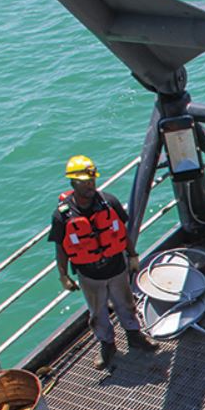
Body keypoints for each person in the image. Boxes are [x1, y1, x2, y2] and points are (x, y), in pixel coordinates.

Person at [49, 154, 156, 369]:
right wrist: (63, 275)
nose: (90, 185)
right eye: (84, 182)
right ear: (73, 183)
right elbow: (61, 247)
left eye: (92, 180)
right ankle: (107, 345)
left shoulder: (109, 202)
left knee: (126, 304)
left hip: (117, 268)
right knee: (98, 313)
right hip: (90, 275)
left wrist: (133, 255)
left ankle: (134, 336)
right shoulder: (62, 216)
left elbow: (122, 232)